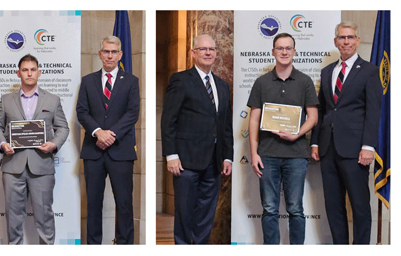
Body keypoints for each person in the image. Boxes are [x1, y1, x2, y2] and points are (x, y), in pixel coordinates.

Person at [310, 21, 382, 244]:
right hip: (327, 148)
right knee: (333, 205)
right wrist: (314, 143)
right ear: (336, 42)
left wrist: (368, 146)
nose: (346, 41)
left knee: (360, 205)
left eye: (350, 37)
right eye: (342, 37)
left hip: (355, 149)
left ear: (358, 41)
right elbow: (322, 110)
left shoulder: (370, 71)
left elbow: (373, 111)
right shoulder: (327, 71)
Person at [161, 34, 233, 244]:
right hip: (185, 162)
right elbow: (168, 121)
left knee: (206, 215)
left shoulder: (222, 85)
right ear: (193, 53)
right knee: (184, 214)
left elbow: (225, 125)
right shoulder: (180, 80)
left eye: (211, 49)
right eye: (203, 49)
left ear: (216, 53)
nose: (208, 52)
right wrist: (171, 155)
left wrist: (227, 156)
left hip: (214, 162)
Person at [247, 33, 318, 244]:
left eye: (288, 48)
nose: (284, 52)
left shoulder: (305, 81)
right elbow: (253, 121)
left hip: (296, 155)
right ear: (273, 52)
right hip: (267, 155)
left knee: (296, 208)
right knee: (269, 208)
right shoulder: (261, 82)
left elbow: (313, 117)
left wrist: (297, 133)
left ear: (294, 52)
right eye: (280, 48)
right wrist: (253, 153)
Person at [0, 54, 69, 244]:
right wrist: (2, 144)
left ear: (39, 73)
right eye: (25, 70)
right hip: (12, 166)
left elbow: (63, 128)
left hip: (42, 166)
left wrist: (54, 144)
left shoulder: (52, 99)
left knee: (45, 218)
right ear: (18, 73)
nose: (29, 73)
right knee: (13, 218)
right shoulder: (6, 99)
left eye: (33, 69)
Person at [76, 35, 139, 244]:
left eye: (114, 52)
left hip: (121, 151)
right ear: (100, 54)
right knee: (93, 204)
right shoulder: (87, 81)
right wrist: (97, 132)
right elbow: (82, 112)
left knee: (124, 203)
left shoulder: (131, 81)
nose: (110, 55)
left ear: (120, 54)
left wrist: (110, 134)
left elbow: (132, 113)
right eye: (106, 51)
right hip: (93, 152)